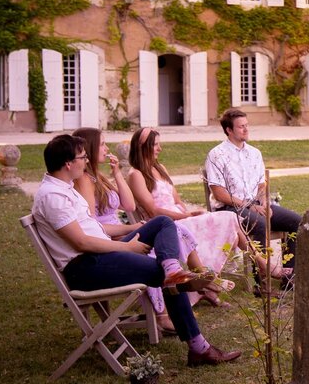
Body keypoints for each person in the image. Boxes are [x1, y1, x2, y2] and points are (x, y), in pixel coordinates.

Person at [31, 134, 241, 367]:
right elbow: (81, 242)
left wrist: (132, 228)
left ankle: (173, 269)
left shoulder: (66, 188)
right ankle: (199, 348)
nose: (87, 161)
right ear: (68, 163)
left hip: (101, 254)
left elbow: (94, 228)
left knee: (162, 223)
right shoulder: (53, 197)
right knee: (165, 277)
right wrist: (126, 246)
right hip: (86, 266)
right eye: (82, 157)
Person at [127, 127, 245, 306]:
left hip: (180, 217)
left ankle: (207, 282)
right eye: (155, 145)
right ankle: (257, 264)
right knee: (228, 218)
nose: (160, 149)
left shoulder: (161, 168)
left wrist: (189, 213)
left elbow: (177, 199)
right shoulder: (136, 174)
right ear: (143, 146)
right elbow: (152, 211)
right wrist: (185, 215)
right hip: (163, 225)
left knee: (228, 218)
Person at [205, 108, 296, 283]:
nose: (246, 130)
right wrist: (249, 206)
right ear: (229, 130)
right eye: (241, 127)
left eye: (247, 125)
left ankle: (290, 278)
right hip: (230, 209)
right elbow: (218, 193)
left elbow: (262, 183)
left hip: (256, 205)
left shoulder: (255, 153)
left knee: (296, 221)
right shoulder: (216, 155)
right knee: (259, 223)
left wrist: (264, 202)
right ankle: (260, 282)